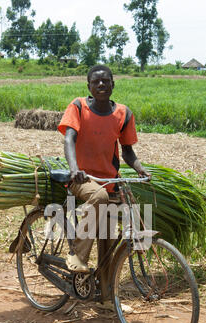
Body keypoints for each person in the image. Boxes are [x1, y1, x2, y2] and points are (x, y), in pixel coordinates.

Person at [58, 65, 151, 300]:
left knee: (109, 243)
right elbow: (69, 139)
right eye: (96, 82)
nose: (101, 85)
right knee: (98, 197)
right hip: (82, 180)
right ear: (88, 87)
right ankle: (77, 256)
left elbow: (127, 151)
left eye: (105, 81)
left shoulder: (123, 114)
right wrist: (74, 169)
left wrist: (139, 168)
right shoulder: (78, 106)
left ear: (113, 84)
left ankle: (106, 299)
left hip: (110, 181)